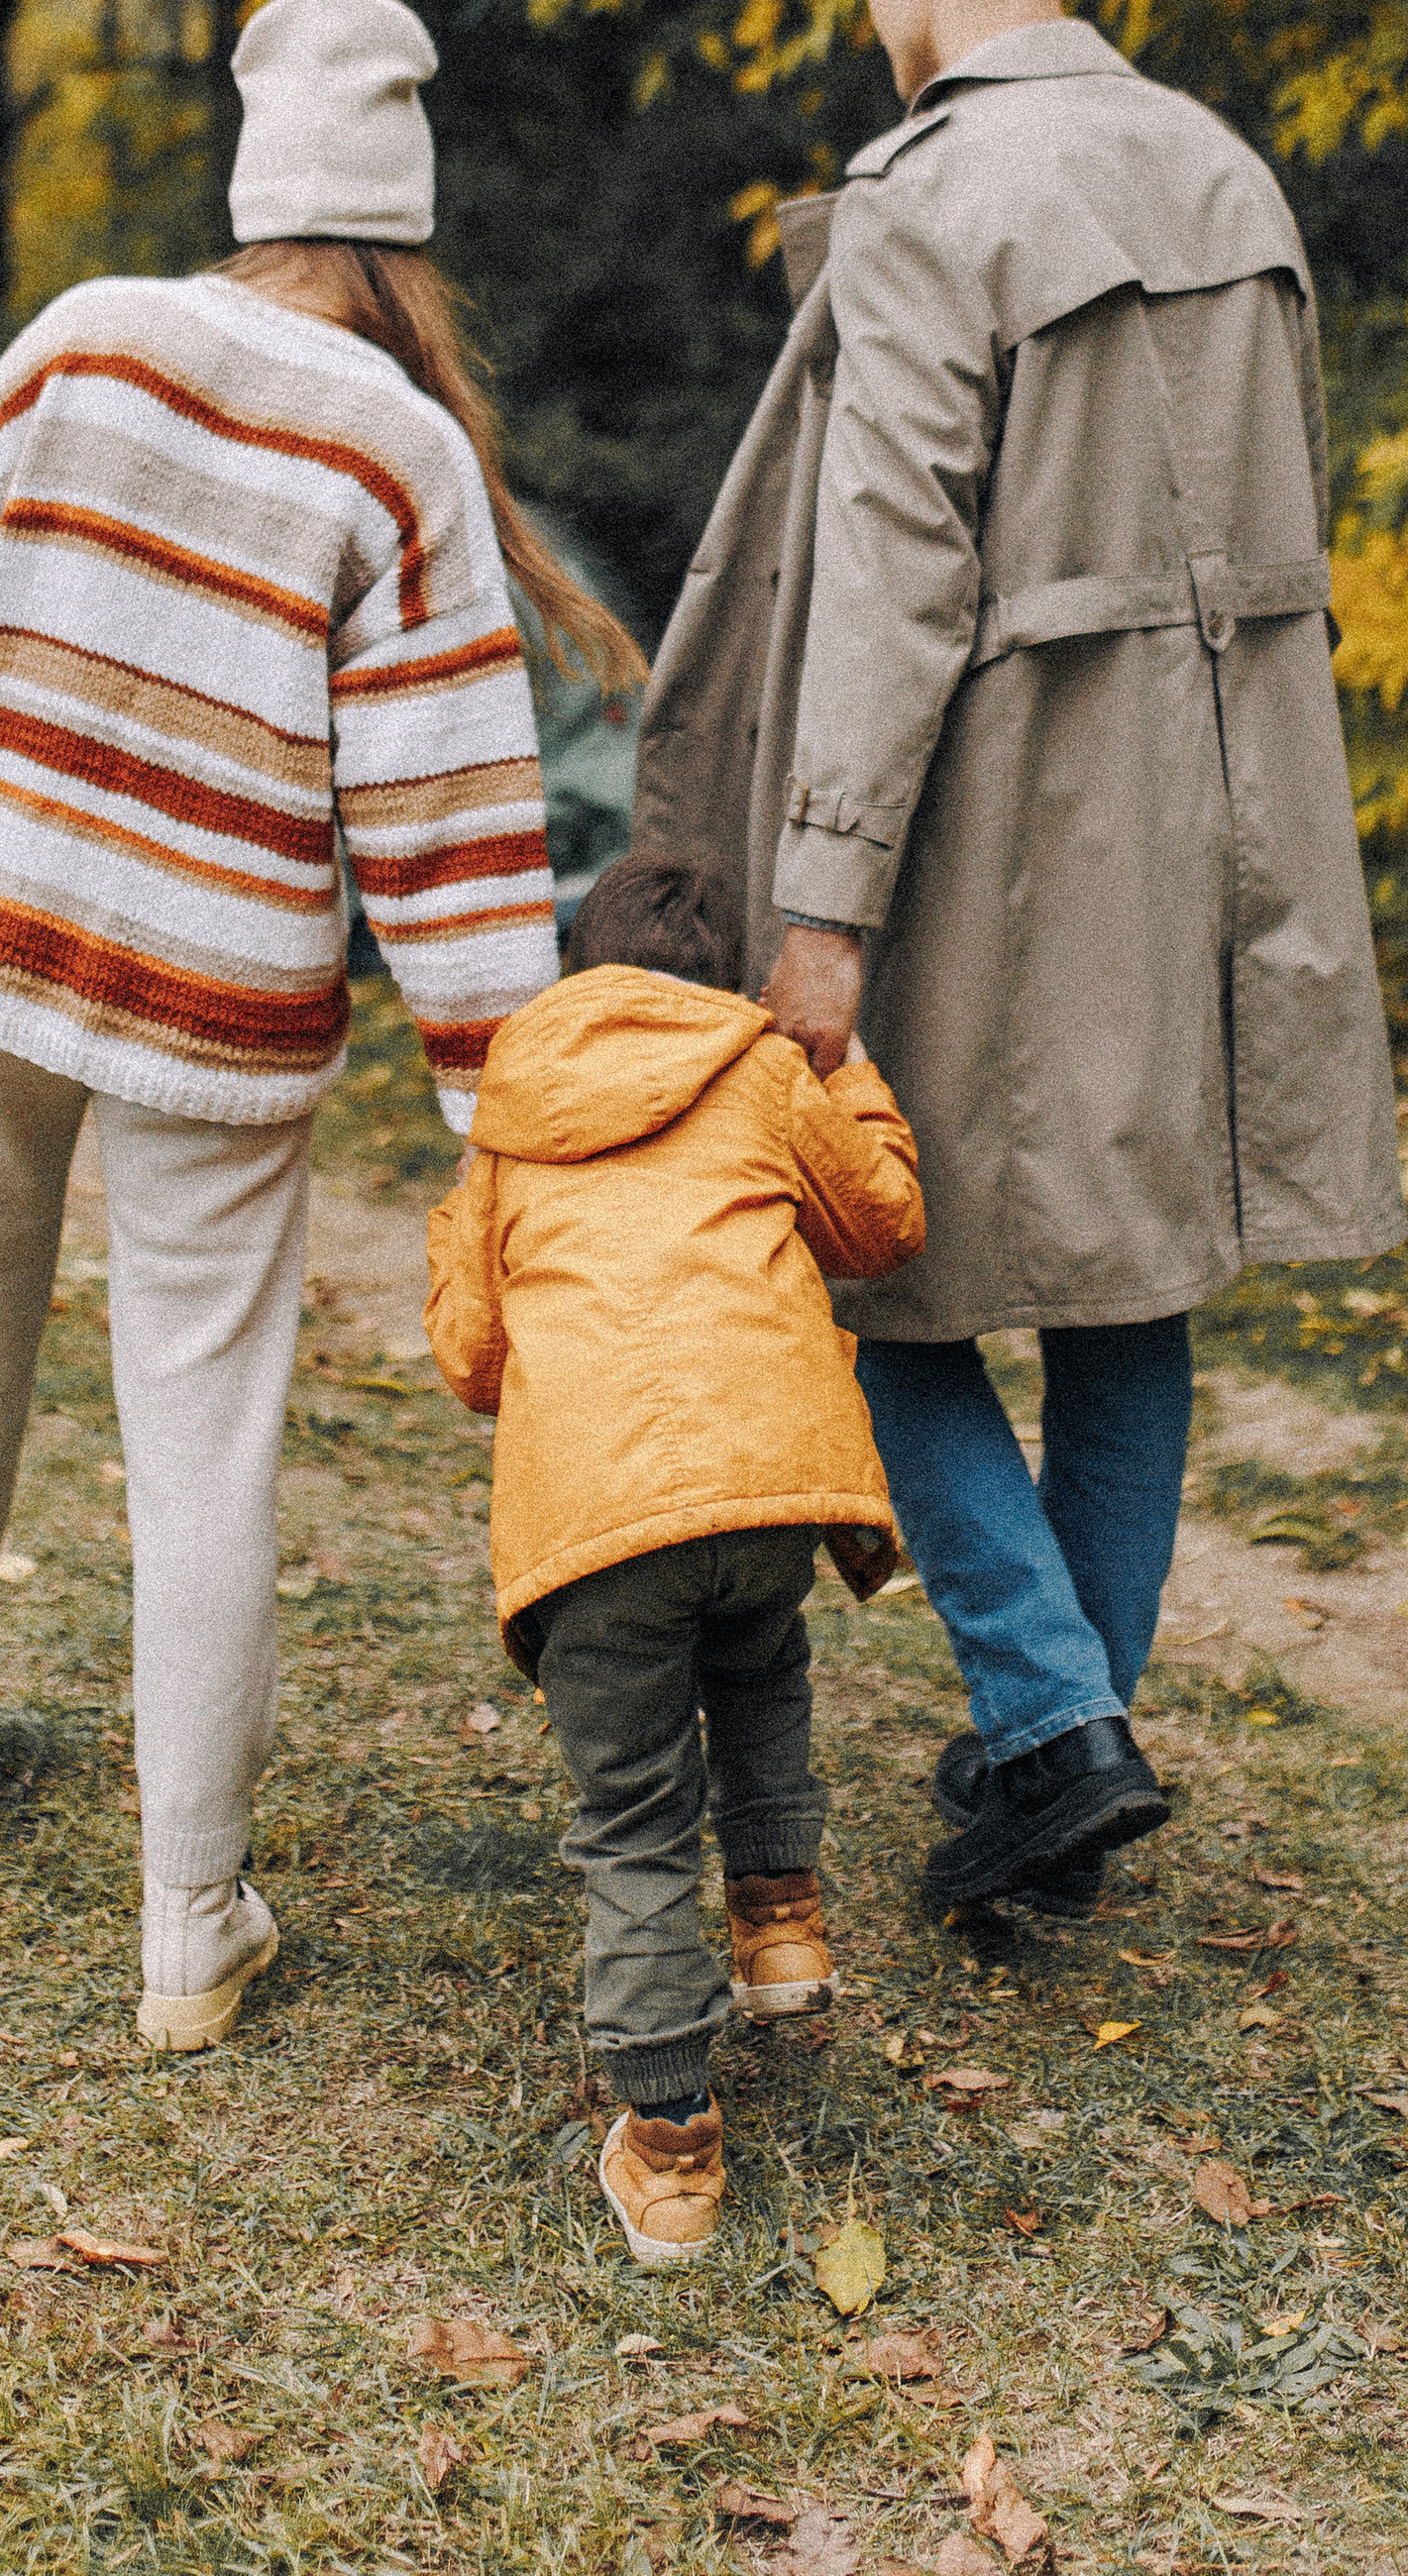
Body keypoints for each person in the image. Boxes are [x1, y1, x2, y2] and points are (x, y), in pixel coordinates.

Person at [0, 0, 641, 2051]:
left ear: (249, 176)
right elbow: (450, 828)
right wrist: (505, 1112)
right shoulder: (402, 458)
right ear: (404, 214)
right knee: (201, 1427)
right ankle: (188, 1927)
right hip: (216, 1000)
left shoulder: (89, 335)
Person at [634, 0, 1404, 1920]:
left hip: (1004, 812)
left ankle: (1051, 1715)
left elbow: (887, 582)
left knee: (869, 1257)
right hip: (1226, 803)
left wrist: (817, 904)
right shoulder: (1220, 171)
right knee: (1128, 1271)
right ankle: (1052, 1765)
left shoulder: (931, 194)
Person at [423, 849, 923, 2266]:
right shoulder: (765, 1076)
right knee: (760, 1667)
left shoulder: (510, 1123)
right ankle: (778, 1927)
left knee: (636, 1814)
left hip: (596, 1522)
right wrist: (852, 1069)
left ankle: (672, 2146)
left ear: (579, 977)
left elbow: (470, 1359)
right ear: (722, 984)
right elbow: (886, 1224)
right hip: (771, 1485)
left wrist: (462, 1243)